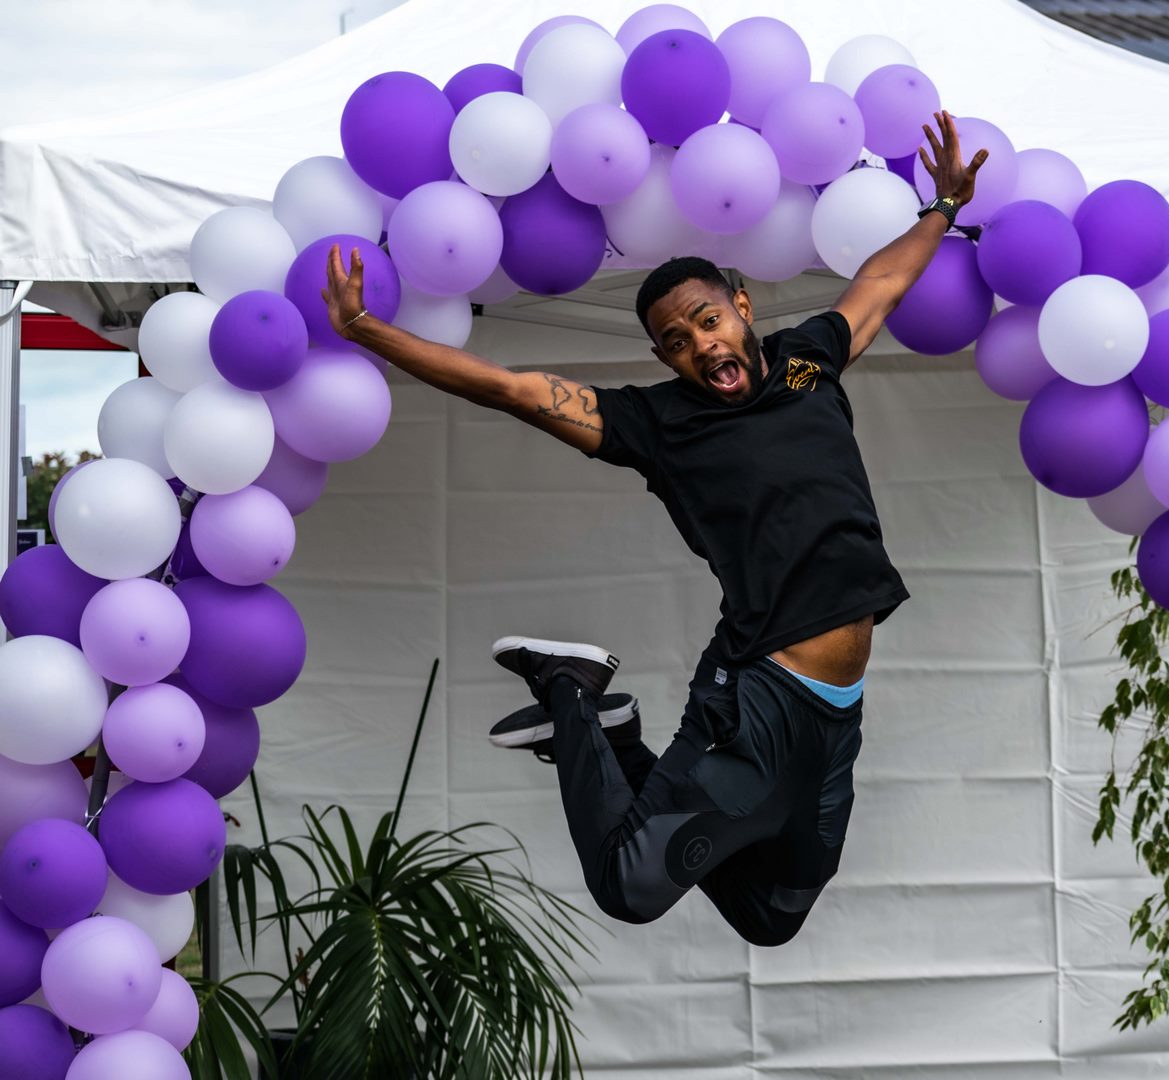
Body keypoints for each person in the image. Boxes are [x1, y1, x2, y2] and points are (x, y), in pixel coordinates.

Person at [323, 112, 987, 946]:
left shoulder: (809, 360)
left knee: (772, 915)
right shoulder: (658, 424)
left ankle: (618, 740)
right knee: (629, 886)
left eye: (708, 322)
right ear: (665, 358)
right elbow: (511, 388)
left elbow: (883, 283)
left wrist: (945, 206)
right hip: (759, 694)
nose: (701, 348)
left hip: (836, 710)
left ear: (741, 308)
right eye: (675, 343)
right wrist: (366, 331)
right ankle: (568, 686)